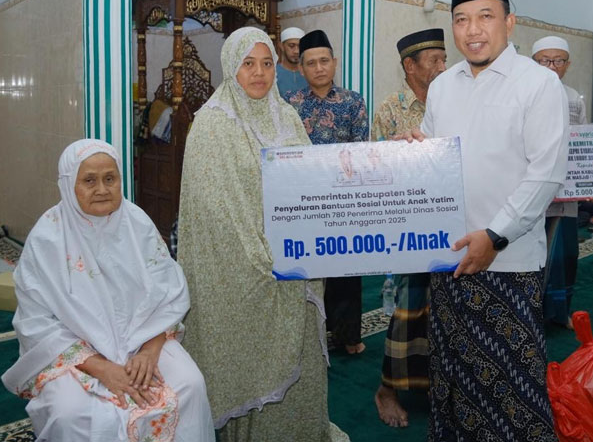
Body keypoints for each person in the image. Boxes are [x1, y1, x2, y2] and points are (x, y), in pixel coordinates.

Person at [408, 0, 569, 441]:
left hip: (509, 263)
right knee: (455, 379)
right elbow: (437, 164)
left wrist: (495, 236)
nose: (473, 30)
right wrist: (412, 156)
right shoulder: (442, 87)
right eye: (461, 19)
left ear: (510, 21)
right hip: (451, 258)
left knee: (511, 391)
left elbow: (544, 175)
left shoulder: (538, 84)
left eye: (485, 16)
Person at [178, 27, 348, 441]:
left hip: (296, 263)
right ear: (231, 68)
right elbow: (214, 212)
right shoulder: (212, 125)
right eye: (248, 64)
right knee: (249, 362)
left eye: (267, 63)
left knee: (301, 357)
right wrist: (265, 260)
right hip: (244, 271)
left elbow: (311, 182)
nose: (259, 73)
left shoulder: (286, 116)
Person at [1, 138, 214, 442]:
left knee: (190, 384)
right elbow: (36, 323)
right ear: (68, 185)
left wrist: (150, 350)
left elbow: (168, 294)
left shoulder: (137, 223)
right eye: (89, 180)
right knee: (70, 412)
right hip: (73, 353)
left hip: (143, 340)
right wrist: (101, 368)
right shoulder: (48, 238)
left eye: (110, 179)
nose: (102, 189)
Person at [372, 28, 447, 428]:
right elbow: (374, 170)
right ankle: (387, 388)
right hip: (406, 229)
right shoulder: (390, 109)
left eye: (443, 58)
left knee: (443, 311)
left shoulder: (453, 99)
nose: (442, 66)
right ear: (410, 66)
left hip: (449, 226)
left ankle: (436, 383)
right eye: (434, 60)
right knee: (406, 310)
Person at [283, 29, 369, 355]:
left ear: (334, 63)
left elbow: (360, 151)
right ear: (301, 69)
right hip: (304, 201)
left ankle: (347, 336)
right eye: (311, 63)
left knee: (346, 271)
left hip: (344, 200)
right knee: (310, 270)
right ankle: (310, 335)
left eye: (324, 61)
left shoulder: (353, 102)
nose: (319, 68)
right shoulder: (290, 106)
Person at [532, 35, 588, 329]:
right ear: (534, 62)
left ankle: (561, 311)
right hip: (534, 190)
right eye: (545, 60)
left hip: (566, 190)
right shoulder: (525, 94)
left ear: (567, 64)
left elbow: (584, 146)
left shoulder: (574, 98)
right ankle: (535, 311)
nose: (552, 67)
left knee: (565, 254)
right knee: (534, 253)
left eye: (558, 61)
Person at [275, 26, 307, 97]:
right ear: (281, 46)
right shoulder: (273, 74)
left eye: (300, 46)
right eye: (291, 46)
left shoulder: (310, 72)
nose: (296, 51)